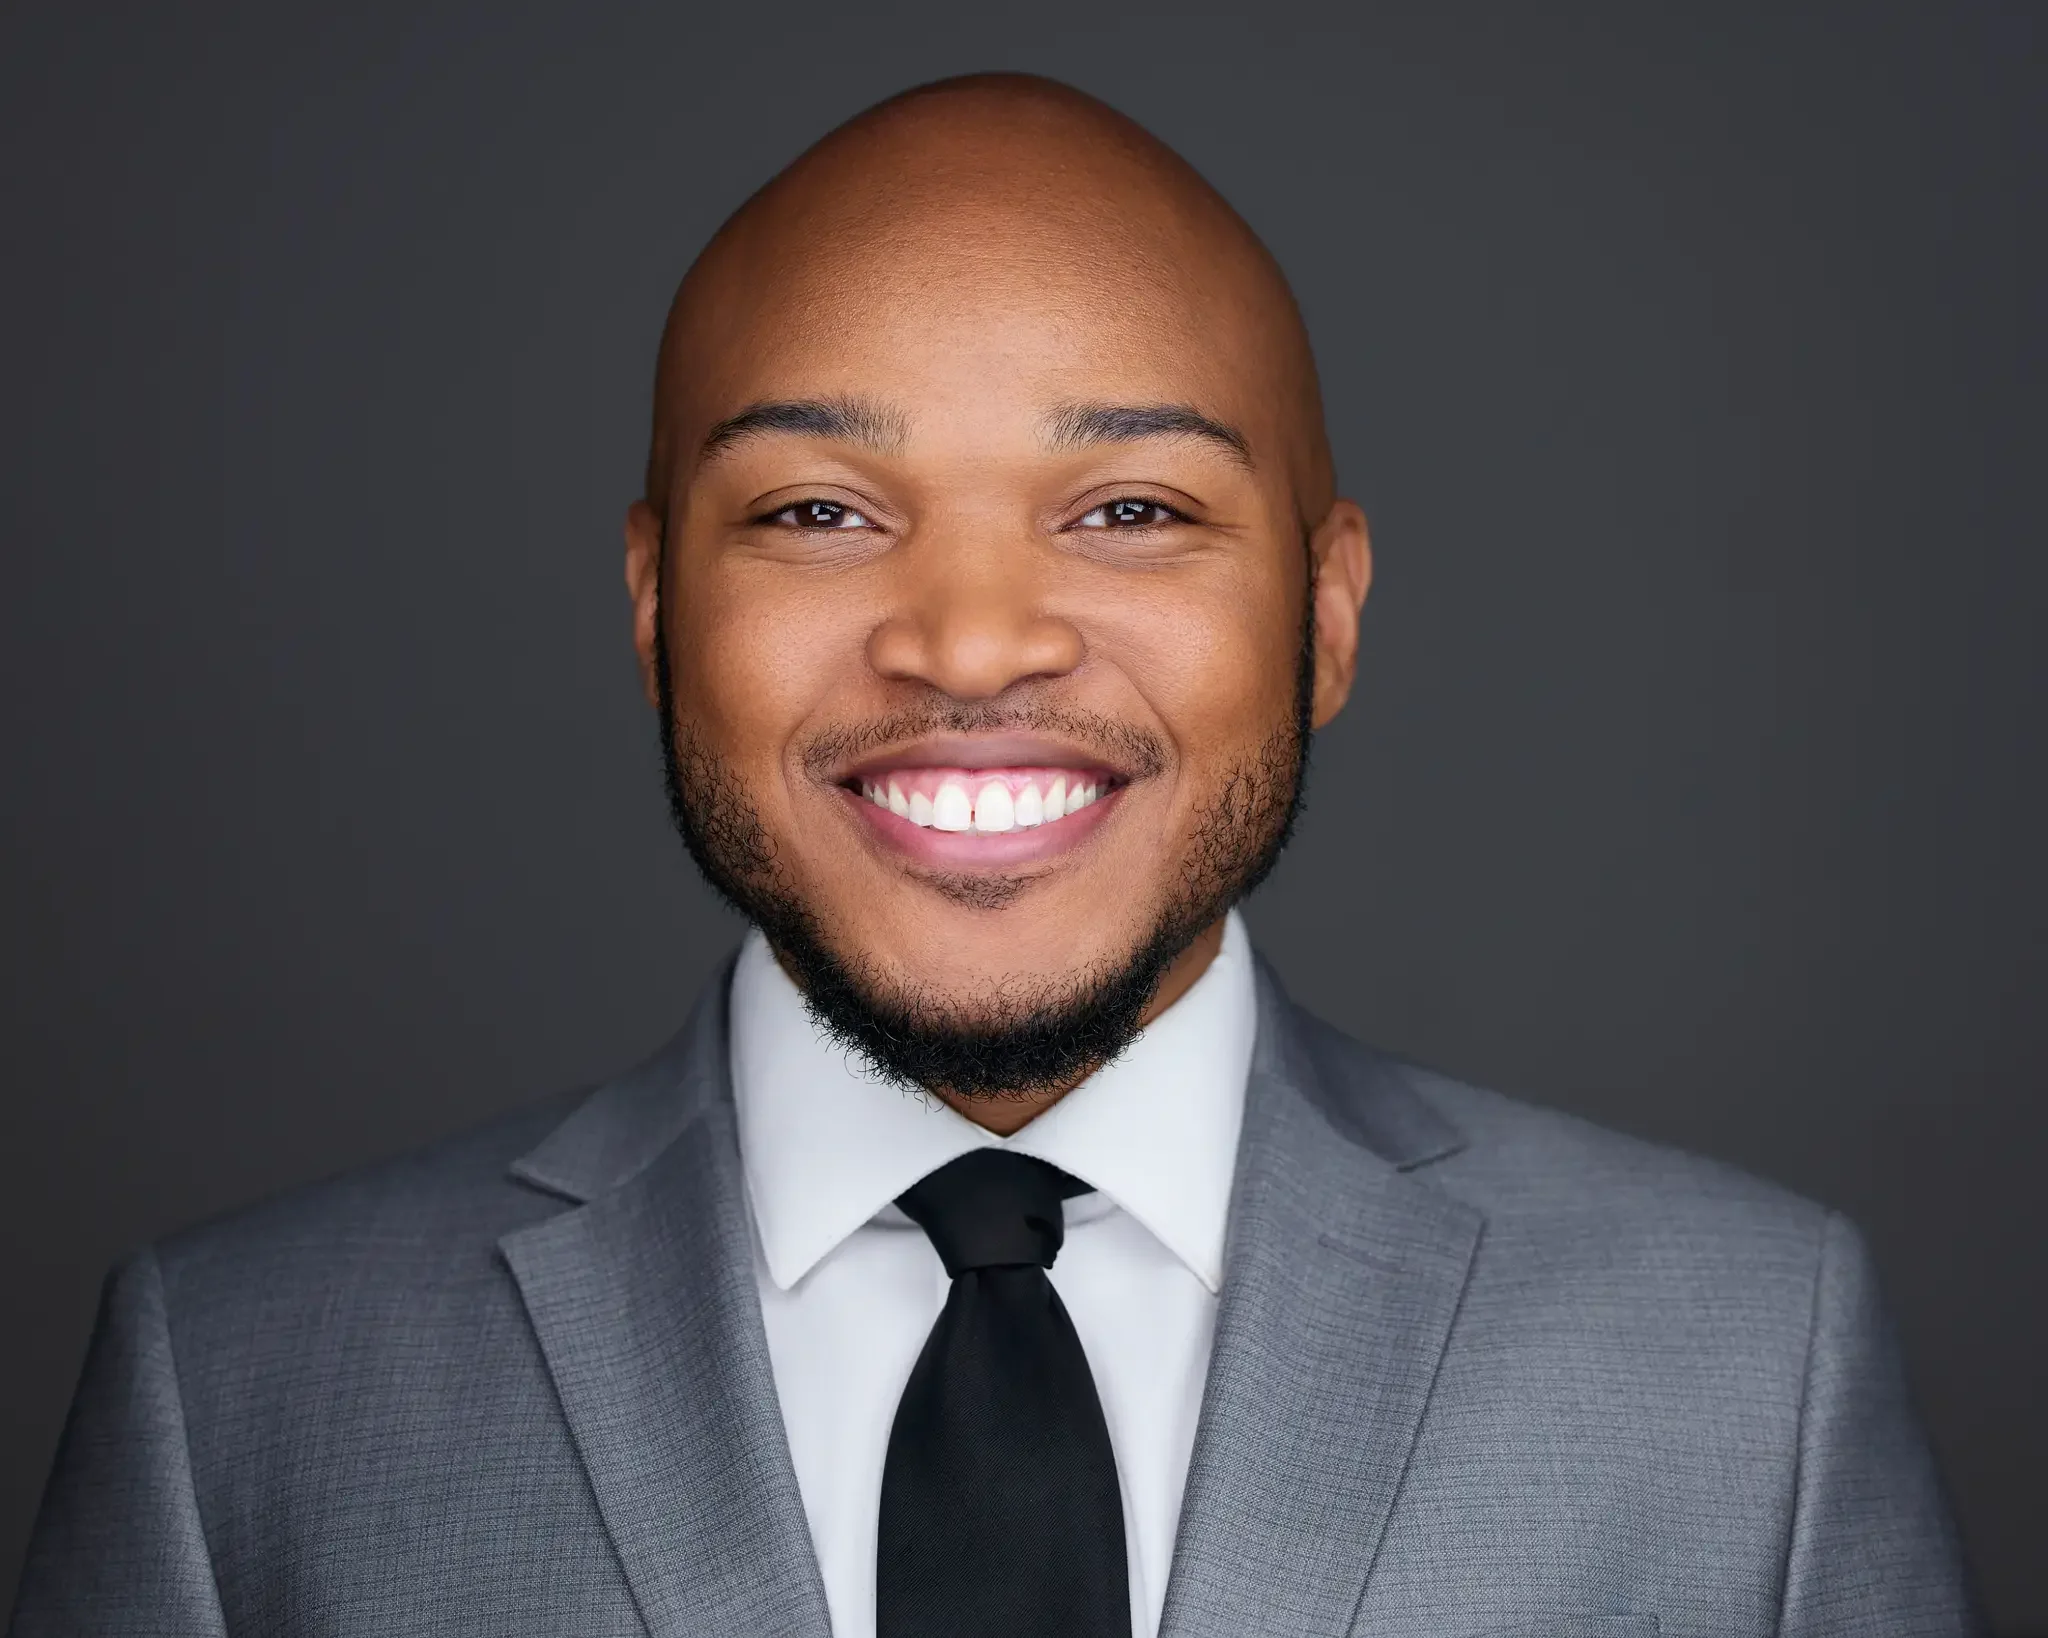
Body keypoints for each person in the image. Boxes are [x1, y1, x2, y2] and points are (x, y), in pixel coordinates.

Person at [10, 73, 1979, 1638]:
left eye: (1126, 506)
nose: (967, 641)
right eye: (813, 511)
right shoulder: (239, 1391)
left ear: (1328, 611)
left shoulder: (1746, 1362)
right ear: (648, 608)